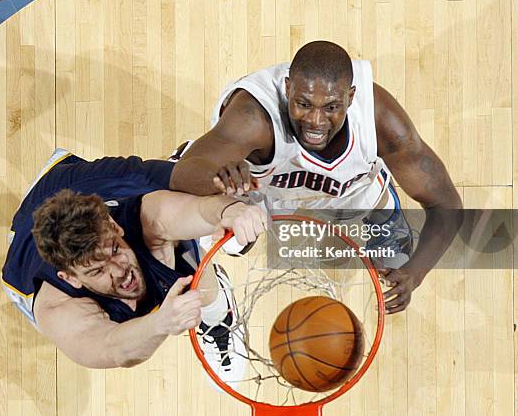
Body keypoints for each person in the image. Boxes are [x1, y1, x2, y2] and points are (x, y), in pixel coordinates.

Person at [169, 40, 463, 313]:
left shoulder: (381, 122)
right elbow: (181, 174)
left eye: (332, 107)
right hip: (261, 184)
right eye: (304, 104)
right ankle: (219, 309)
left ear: (350, 97)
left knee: (389, 240)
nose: (315, 121)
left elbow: (446, 205)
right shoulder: (252, 118)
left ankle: (384, 213)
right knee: (227, 238)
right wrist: (215, 175)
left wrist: (417, 272)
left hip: (350, 186)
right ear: (287, 89)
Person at [2, 148, 266, 380]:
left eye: (115, 249)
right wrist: (161, 323)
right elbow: (113, 348)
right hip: (25, 236)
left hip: (94, 181)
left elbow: (200, 209)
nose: (119, 270)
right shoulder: (59, 309)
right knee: (168, 277)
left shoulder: (146, 217)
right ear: (70, 277)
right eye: (97, 270)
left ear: (114, 226)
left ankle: (218, 316)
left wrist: (230, 211)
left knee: (189, 239)